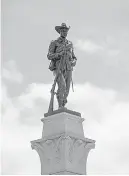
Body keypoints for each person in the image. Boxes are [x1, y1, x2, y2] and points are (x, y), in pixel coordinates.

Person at [47, 23, 77, 108]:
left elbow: (74, 57)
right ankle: (60, 105)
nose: (64, 32)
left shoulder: (70, 44)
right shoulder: (54, 43)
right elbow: (49, 55)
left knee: (67, 89)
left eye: (66, 31)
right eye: (63, 30)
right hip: (58, 67)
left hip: (68, 67)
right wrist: (59, 54)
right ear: (60, 31)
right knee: (62, 86)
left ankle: (63, 104)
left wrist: (74, 61)